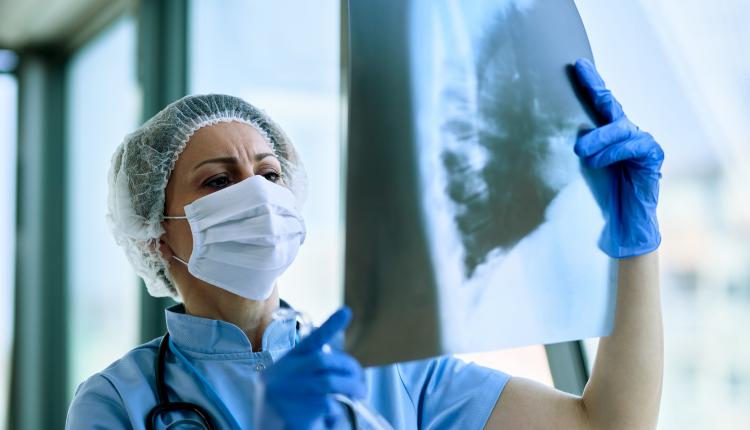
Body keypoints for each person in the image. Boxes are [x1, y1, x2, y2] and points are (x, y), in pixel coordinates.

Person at [66, 59, 664, 429]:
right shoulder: (119, 401)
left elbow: (609, 425)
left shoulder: (384, 368)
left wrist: (635, 246)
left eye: (271, 175)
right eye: (219, 181)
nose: (257, 198)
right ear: (156, 234)